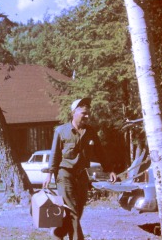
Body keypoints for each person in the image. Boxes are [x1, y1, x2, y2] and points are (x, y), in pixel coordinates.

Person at [42, 98, 117, 240]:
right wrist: (49, 174)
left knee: (79, 209)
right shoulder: (61, 131)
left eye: (88, 113)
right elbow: (55, 154)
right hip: (64, 175)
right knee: (73, 210)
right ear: (73, 113)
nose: (87, 116)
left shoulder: (90, 131)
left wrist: (110, 169)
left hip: (82, 175)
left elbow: (100, 151)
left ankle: (59, 232)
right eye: (84, 113)